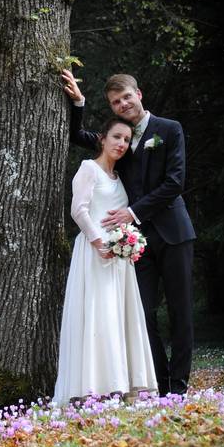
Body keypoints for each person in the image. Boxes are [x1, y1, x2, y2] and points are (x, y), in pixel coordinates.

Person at [61, 70, 196, 396]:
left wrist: (133, 212)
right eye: (115, 102)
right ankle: (160, 383)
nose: (122, 104)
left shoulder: (169, 129)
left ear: (139, 94)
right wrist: (78, 102)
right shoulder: (118, 139)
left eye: (126, 97)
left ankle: (177, 388)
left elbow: (174, 183)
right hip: (135, 242)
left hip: (174, 232)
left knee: (180, 311)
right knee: (142, 311)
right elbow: (77, 135)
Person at [53, 118, 158, 407]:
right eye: (116, 137)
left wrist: (125, 241)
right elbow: (79, 210)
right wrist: (101, 243)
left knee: (117, 318)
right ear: (103, 139)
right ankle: (91, 387)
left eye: (126, 140)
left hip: (119, 260)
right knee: (98, 316)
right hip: (94, 253)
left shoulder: (119, 177)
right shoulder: (89, 169)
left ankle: (121, 385)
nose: (121, 144)